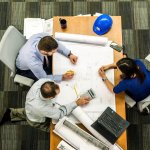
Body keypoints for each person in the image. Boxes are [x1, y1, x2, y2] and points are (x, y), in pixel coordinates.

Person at [0, 79, 90, 132]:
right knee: (53, 129)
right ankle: (12, 114)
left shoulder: (42, 82)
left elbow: (51, 81)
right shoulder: (42, 108)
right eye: (57, 95)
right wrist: (76, 103)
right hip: (36, 120)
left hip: (30, 108)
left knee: (26, 112)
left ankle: (11, 113)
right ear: (50, 98)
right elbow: (60, 113)